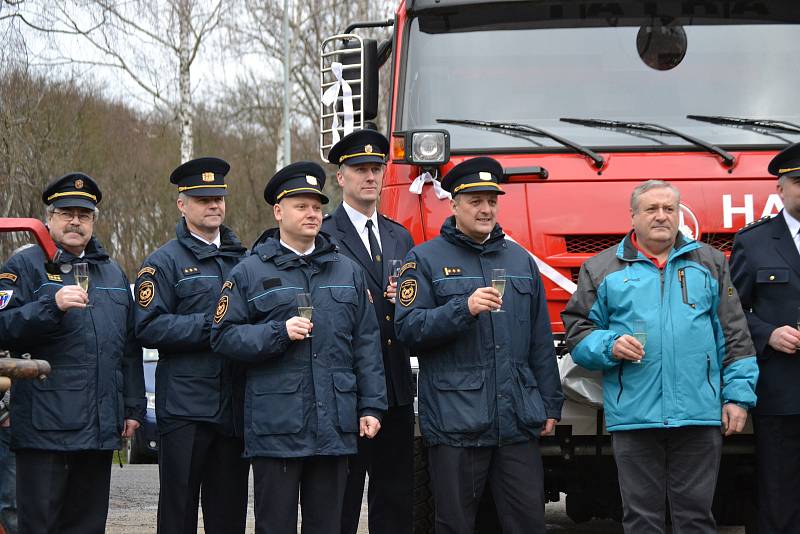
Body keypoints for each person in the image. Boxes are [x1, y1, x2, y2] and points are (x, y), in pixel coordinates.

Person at [562, 179, 759, 533]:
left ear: (679, 215)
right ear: (633, 216)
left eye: (669, 209)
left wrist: (738, 398)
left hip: (698, 415)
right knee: (641, 519)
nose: (661, 216)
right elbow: (578, 333)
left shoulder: (711, 263)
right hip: (635, 414)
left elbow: (734, 335)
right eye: (652, 209)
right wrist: (610, 345)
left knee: (696, 518)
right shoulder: (602, 268)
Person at [211, 161, 387, 534]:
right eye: (301, 206)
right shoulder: (249, 271)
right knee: (276, 526)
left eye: (317, 206)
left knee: (329, 526)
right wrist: (277, 332)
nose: (312, 214)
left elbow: (367, 344)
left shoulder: (347, 271)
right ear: (278, 211)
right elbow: (223, 336)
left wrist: (372, 405)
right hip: (277, 427)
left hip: (334, 428)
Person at [394, 157, 563, 534]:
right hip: (457, 422)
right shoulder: (423, 259)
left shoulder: (520, 260)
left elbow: (539, 339)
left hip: (516, 421)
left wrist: (550, 404)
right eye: (475, 201)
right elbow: (407, 328)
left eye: (492, 200)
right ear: (454, 204)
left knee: (528, 523)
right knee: (456, 525)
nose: (486, 209)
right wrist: (463, 308)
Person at [0, 173, 145, 534]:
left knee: (87, 526)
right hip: (44, 427)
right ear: (50, 217)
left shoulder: (111, 272)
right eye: (67, 213)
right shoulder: (24, 266)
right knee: (39, 526)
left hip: (98, 430)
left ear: (93, 221)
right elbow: (3, 326)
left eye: (84, 214)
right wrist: (51, 304)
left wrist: (131, 406)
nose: (75, 221)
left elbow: (128, 346)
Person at [133, 157, 249, 534]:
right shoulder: (163, 262)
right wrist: (213, 327)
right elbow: (148, 327)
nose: (214, 205)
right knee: (178, 512)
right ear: (182, 204)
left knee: (229, 513)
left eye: (218, 198)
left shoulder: (243, 260)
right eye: (203, 199)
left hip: (233, 408)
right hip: (185, 410)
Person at [322, 129, 415, 534]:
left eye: (376, 168)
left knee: (395, 497)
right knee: (341, 497)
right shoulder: (324, 235)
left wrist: (405, 298)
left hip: (394, 381)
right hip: (347, 386)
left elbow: (414, 303)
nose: (370, 177)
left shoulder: (399, 234)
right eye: (360, 169)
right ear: (340, 177)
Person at [730, 142, 800, 532]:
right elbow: (732, 309)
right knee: (780, 494)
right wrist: (768, 333)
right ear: (781, 188)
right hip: (782, 390)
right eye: (799, 182)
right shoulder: (754, 241)